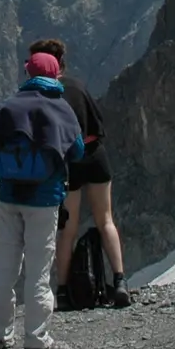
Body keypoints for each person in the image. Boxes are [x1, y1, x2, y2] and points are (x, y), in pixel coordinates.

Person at [0, 50, 84, 349]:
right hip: (44, 199)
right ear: (54, 75)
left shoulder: (8, 106)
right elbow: (76, 151)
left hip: (9, 196)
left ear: (28, 73)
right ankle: (36, 340)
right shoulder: (60, 108)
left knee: (5, 267)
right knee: (38, 270)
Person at [35, 39, 132, 308]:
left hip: (69, 162)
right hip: (96, 155)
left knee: (68, 227)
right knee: (106, 220)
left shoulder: (47, 94)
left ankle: (64, 291)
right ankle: (121, 280)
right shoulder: (78, 86)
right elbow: (98, 121)